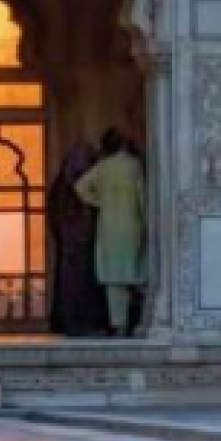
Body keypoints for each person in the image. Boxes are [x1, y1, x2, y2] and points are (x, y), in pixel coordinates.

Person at [74, 128, 146, 337]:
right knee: (135, 273)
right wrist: (148, 220)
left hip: (109, 226)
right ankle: (140, 321)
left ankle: (119, 324)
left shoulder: (103, 166)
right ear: (124, 144)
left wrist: (99, 203)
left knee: (114, 278)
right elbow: (142, 196)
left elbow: (80, 187)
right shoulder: (134, 165)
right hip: (132, 223)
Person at [48, 139, 108, 337]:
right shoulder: (71, 187)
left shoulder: (63, 185)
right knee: (77, 287)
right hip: (77, 247)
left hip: (75, 247)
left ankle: (80, 323)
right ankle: (77, 323)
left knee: (79, 286)